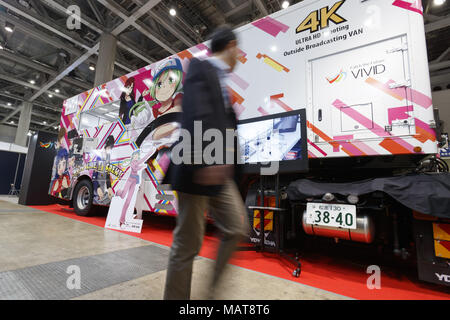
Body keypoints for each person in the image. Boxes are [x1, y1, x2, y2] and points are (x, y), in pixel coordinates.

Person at [163, 25, 249, 300]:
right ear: (232, 46)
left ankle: (209, 294)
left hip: (219, 174)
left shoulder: (224, 84)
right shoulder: (200, 68)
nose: (239, 56)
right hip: (195, 166)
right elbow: (195, 113)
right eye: (239, 50)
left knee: (237, 228)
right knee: (188, 244)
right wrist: (204, 160)